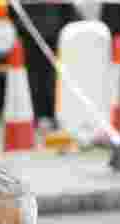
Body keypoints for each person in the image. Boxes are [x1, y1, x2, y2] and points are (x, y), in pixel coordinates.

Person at [8, 0, 80, 132]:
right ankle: (51, 114)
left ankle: (42, 115)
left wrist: (20, 26)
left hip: (32, 30)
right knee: (51, 75)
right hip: (50, 29)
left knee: (36, 75)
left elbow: (13, 9)